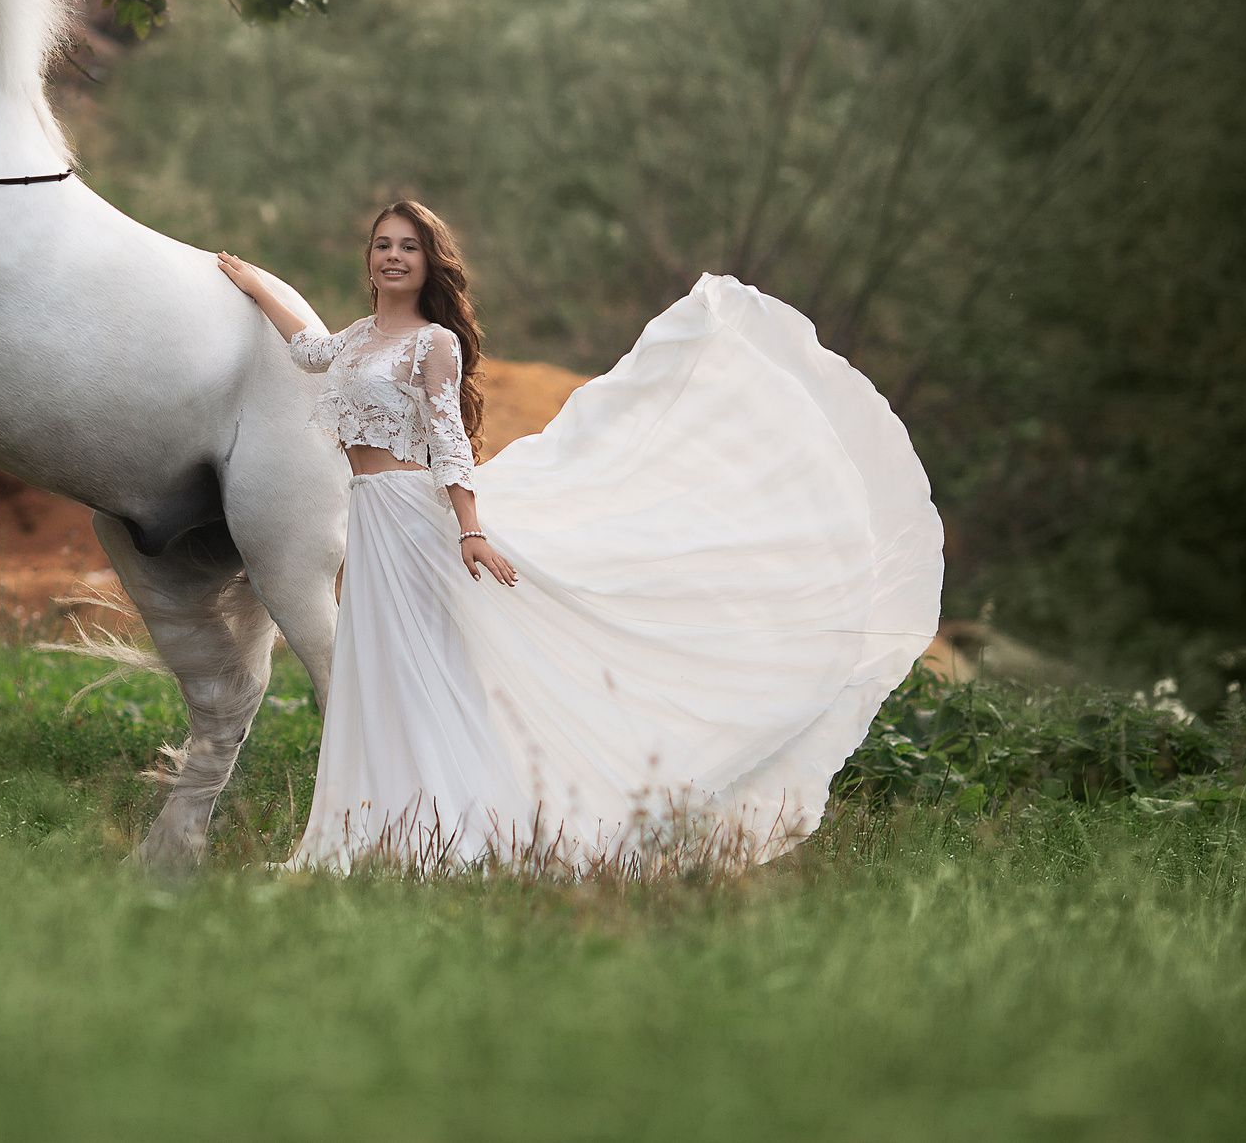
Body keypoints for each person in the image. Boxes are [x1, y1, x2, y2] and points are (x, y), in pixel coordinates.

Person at [219, 201, 942, 874]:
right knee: (377, 671)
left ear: (431, 263)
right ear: (368, 258)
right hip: (371, 520)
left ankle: (462, 831)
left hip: (414, 518)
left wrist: (470, 530)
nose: (394, 256)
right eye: (383, 245)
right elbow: (308, 349)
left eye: (409, 246)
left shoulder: (433, 343)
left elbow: (447, 442)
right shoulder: (357, 338)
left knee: (421, 668)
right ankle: (372, 832)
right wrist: (253, 281)